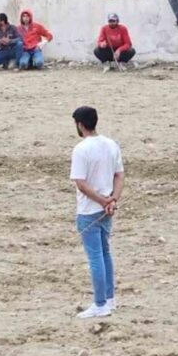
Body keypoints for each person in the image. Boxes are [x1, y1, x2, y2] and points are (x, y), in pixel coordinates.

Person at [69, 105, 123, 319]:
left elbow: (81, 184)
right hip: (107, 208)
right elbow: (119, 175)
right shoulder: (111, 144)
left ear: (80, 125)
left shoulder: (81, 149)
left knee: (96, 257)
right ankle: (109, 299)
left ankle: (100, 303)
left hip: (90, 209)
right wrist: (112, 199)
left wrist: (102, 201)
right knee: (105, 253)